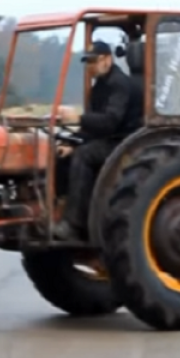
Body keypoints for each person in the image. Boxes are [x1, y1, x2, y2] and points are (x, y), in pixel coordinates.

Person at [53, 39, 143, 241]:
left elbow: (110, 122)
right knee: (61, 153)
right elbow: (92, 126)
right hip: (106, 138)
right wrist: (72, 143)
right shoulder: (99, 88)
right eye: (88, 62)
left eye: (94, 61)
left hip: (123, 142)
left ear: (107, 60)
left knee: (84, 155)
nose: (90, 67)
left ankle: (74, 224)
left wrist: (77, 118)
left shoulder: (120, 84)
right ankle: (59, 208)